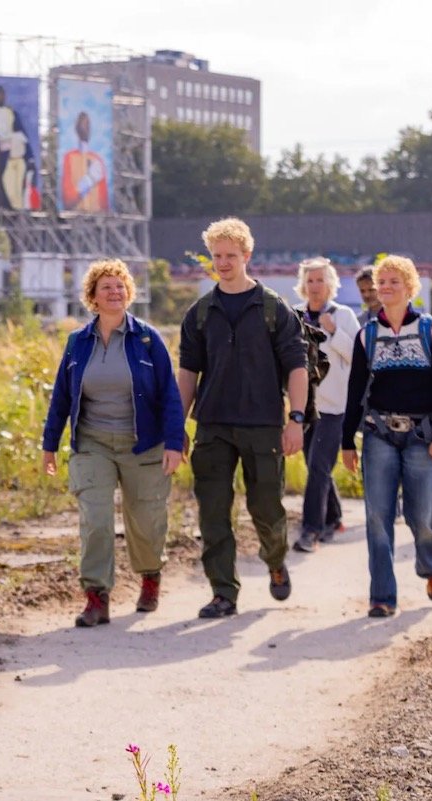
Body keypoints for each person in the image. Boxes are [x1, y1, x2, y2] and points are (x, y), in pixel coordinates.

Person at [42, 260, 186, 627]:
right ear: (92, 296)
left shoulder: (148, 339)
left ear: (129, 293)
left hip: (144, 443)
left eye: (120, 286)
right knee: (96, 520)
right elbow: (61, 397)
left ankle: (150, 577)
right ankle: (96, 597)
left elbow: (170, 395)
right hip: (93, 444)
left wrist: (174, 444)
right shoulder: (78, 343)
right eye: (106, 286)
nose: (115, 292)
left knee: (147, 522)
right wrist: (49, 444)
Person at [178, 218, 308, 619]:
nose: (223, 263)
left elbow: (297, 367)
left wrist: (296, 419)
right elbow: (188, 374)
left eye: (230, 256)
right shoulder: (200, 313)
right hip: (213, 425)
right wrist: (176, 426)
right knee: (213, 512)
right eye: (217, 256)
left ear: (247, 255)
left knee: (266, 507)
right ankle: (223, 593)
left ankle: (275, 559)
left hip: (263, 424)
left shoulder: (274, 309)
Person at [341, 256, 432, 618]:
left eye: (394, 282)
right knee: (377, 517)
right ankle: (383, 596)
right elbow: (355, 390)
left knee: (423, 517)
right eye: (382, 282)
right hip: (379, 434)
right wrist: (347, 440)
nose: (386, 287)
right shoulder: (367, 334)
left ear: (409, 287)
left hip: (422, 435)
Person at [292, 257, 360, 552]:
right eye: (310, 280)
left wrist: (333, 332)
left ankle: (311, 531)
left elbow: (358, 357)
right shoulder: (295, 315)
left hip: (334, 408)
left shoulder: (343, 315)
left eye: (320, 280)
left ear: (330, 284)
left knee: (319, 467)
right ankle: (334, 518)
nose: (315, 286)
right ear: (303, 285)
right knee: (314, 465)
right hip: (305, 406)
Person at [60, 112, 109, 212]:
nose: (85, 128)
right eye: (82, 124)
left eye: (87, 125)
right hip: (75, 215)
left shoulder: (97, 160)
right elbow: (68, 200)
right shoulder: (69, 157)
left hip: (96, 216)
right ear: (77, 128)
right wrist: (88, 181)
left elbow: (104, 202)